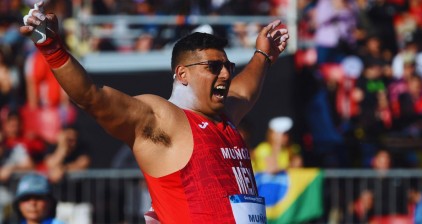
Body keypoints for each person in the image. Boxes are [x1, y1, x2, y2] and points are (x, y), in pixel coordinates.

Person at [20, 1, 289, 223]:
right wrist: (51, 47)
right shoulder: (164, 120)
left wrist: (262, 56)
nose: (227, 73)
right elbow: (92, 97)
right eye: (213, 66)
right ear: (182, 74)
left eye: (228, 65)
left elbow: (244, 91)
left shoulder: (224, 115)